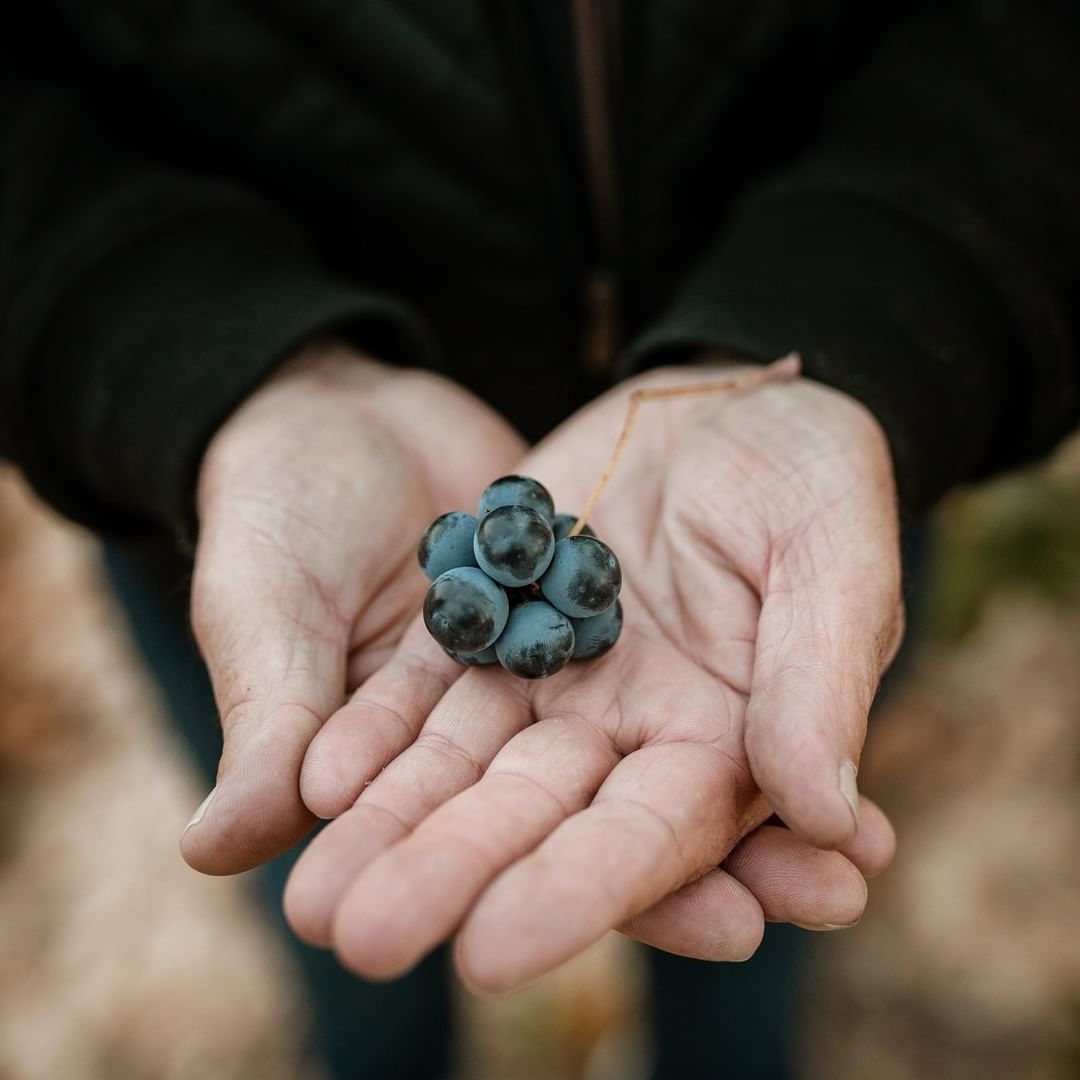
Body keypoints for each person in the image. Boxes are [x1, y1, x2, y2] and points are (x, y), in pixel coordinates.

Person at [3, 2, 1078, 1077]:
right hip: (221, 454)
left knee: (734, 864)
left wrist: (888, 302)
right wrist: (188, 356)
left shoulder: (537, 581)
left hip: (783, 436)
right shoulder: (516, 583)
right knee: (349, 903)